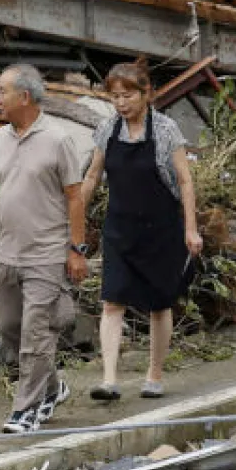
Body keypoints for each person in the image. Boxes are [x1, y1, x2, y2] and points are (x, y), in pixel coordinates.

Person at [0, 64, 88, 434]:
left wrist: (76, 249)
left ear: (24, 97)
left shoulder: (59, 140)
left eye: (1, 92)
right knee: (10, 325)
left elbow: (75, 199)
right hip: (7, 252)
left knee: (35, 333)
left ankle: (25, 411)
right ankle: (52, 386)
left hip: (46, 254)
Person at [81, 59, 202, 401]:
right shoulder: (108, 130)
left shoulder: (165, 130)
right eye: (115, 97)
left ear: (146, 94)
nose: (121, 103)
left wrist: (190, 230)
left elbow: (184, 181)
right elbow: (92, 177)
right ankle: (108, 380)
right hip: (119, 228)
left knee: (159, 304)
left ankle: (154, 374)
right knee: (112, 300)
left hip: (160, 229)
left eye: (127, 96)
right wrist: (73, 220)